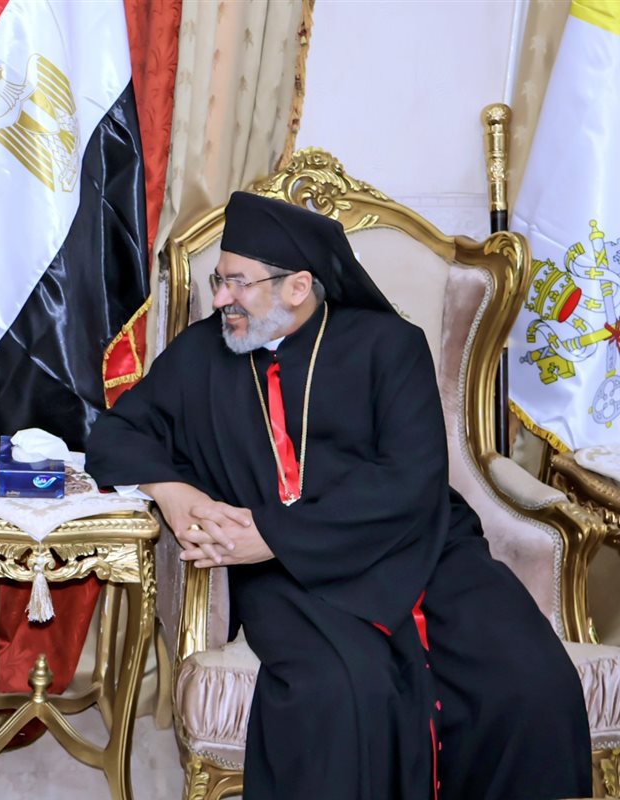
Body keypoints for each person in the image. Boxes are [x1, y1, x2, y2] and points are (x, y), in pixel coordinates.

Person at [85, 192, 590, 799]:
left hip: (419, 548)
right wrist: (171, 492)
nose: (220, 299)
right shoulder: (203, 353)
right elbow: (114, 434)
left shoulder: (390, 345)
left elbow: (410, 481)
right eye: (219, 280)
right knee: (340, 695)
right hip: (287, 578)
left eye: (238, 283)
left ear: (298, 287)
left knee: (529, 681)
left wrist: (273, 534)